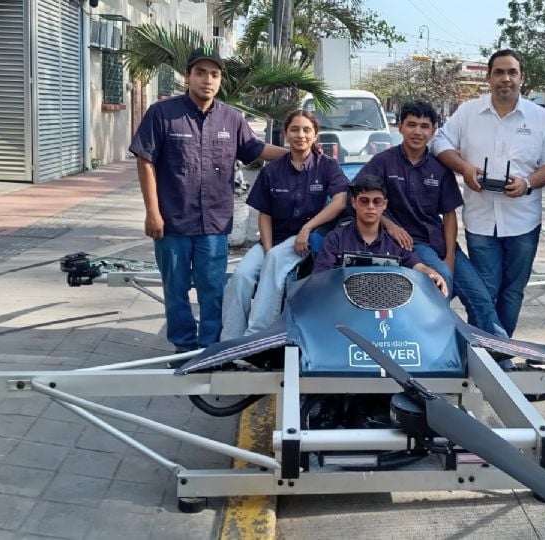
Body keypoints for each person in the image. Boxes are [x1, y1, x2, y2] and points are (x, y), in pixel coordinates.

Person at [129, 45, 288, 354]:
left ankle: (209, 350)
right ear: (188, 76)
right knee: (175, 291)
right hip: (172, 221)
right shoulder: (162, 114)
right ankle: (184, 349)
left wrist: (295, 152)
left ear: (220, 80)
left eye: (214, 74)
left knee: (212, 291)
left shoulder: (231, 118)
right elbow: (145, 160)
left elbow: (254, 150)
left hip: (214, 224)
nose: (208, 80)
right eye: (200, 73)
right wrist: (152, 212)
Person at [431, 49, 545, 336]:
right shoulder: (468, 112)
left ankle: (500, 352)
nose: (506, 78)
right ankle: (485, 353)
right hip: (480, 221)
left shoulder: (541, 118)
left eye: (512, 72)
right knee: (485, 290)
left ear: (521, 78)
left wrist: (527, 183)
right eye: (499, 72)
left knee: (512, 292)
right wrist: (465, 168)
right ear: (489, 78)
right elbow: (440, 143)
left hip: (523, 222)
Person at [353, 100, 506, 335]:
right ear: (400, 127)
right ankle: (433, 347)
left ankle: (495, 353)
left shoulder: (439, 167)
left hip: (440, 242)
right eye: (411, 125)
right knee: (441, 282)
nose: (417, 131)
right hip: (410, 244)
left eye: (424, 126)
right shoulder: (383, 162)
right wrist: (389, 224)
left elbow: (449, 214)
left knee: (480, 297)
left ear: (433, 130)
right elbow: (356, 194)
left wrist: (451, 257)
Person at [221, 110, 349, 339]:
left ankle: (257, 337)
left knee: (277, 260)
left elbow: (340, 202)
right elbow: (265, 214)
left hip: (304, 240)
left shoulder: (327, 166)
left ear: (315, 135)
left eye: (307, 130)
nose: (301, 135)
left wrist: (307, 229)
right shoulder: (272, 170)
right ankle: (230, 341)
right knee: (241, 276)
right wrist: (268, 249)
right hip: (273, 240)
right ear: (285, 135)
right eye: (295, 129)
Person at [313, 175, 448, 297]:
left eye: (377, 201)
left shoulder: (397, 241)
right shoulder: (335, 239)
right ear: (354, 203)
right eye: (364, 201)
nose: (371, 207)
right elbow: (321, 278)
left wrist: (432, 273)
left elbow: (417, 266)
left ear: (384, 204)